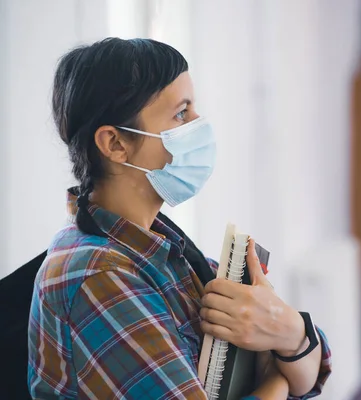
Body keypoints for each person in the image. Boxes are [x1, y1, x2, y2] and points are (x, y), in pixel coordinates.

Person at [28, 37, 331, 400]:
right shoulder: (100, 276)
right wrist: (279, 376)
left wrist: (290, 330)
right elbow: (297, 376)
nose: (199, 125)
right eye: (181, 113)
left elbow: (313, 368)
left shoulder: (164, 249)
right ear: (114, 144)